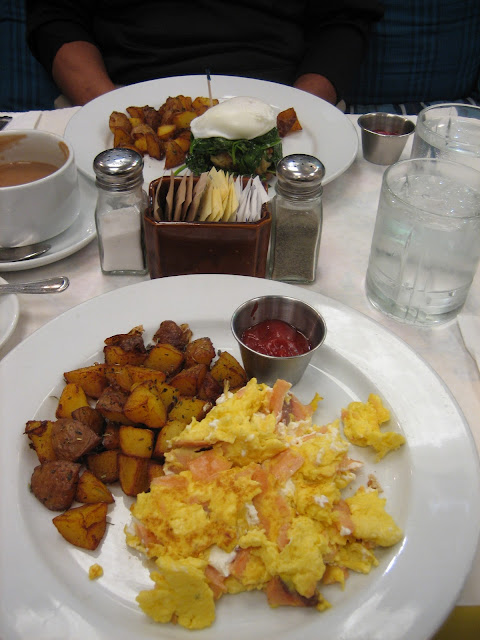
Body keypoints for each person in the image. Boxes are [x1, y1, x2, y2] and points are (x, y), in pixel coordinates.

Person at [25, 0, 384, 107]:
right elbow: (57, 15)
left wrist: (298, 112)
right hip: (119, 93)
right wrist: (108, 108)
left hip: (283, 96)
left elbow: (344, 18)